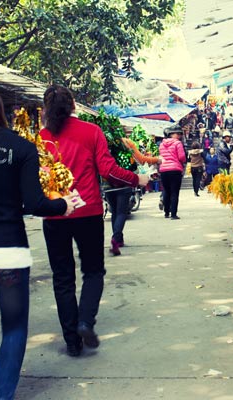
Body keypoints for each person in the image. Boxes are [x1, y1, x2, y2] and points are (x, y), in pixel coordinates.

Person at [0, 75, 77, 400]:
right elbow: (35, 204)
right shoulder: (19, 147)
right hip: (7, 252)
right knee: (15, 328)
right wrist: (64, 204)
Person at [39, 85, 149, 357]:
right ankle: (85, 322)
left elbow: (38, 176)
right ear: (74, 104)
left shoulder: (42, 137)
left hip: (54, 214)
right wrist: (138, 179)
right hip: (87, 213)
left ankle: (72, 342)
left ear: (46, 108)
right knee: (93, 271)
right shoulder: (91, 132)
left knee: (62, 277)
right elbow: (109, 170)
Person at [159, 129, 186, 219]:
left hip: (163, 170)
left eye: (180, 134)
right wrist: (182, 162)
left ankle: (166, 212)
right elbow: (181, 157)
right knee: (174, 192)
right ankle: (173, 214)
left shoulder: (162, 144)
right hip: (175, 169)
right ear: (171, 134)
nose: (179, 135)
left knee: (166, 191)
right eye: (177, 134)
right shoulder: (178, 143)